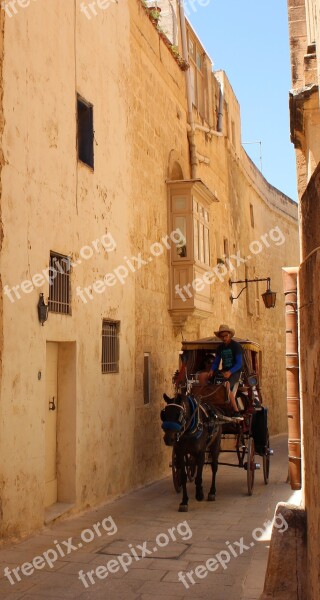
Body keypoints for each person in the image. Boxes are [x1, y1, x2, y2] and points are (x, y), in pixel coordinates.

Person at [208, 324, 243, 415]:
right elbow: (216, 361)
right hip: (224, 371)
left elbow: (239, 363)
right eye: (222, 336)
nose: (224, 338)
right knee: (205, 378)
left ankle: (236, 411)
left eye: (226, 336)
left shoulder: (236, 346)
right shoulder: (220, 347)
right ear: (220, 337)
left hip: (235, 372)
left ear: (230, 335)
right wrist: (211, 370)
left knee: (227, 384)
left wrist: (230, 372)